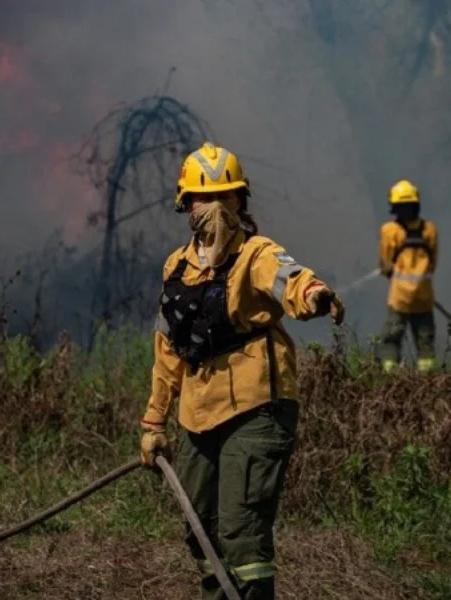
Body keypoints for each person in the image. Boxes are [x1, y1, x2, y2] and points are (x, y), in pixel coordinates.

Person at [138, 142, 345, 600]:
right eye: (202, 198)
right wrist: (154, 420)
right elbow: (167, 350)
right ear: (184, 204)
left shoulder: (256, 254)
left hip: (255, 410)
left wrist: (313, 294)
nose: (213, 207)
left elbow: (289, 277)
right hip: (197, 415)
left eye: (225, 197)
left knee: (241, 533)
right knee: (200, 530)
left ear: (241, 202)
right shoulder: (176, 267)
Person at [375, 179, 439, 374]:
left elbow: (385, 264)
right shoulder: (430, 230)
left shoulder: (389, 231)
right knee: (425, 342)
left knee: (392, 339)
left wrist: (388, 271)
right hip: (424, 298)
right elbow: (433, 263)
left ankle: (389, 377)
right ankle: (426, 381)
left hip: (399, 299)